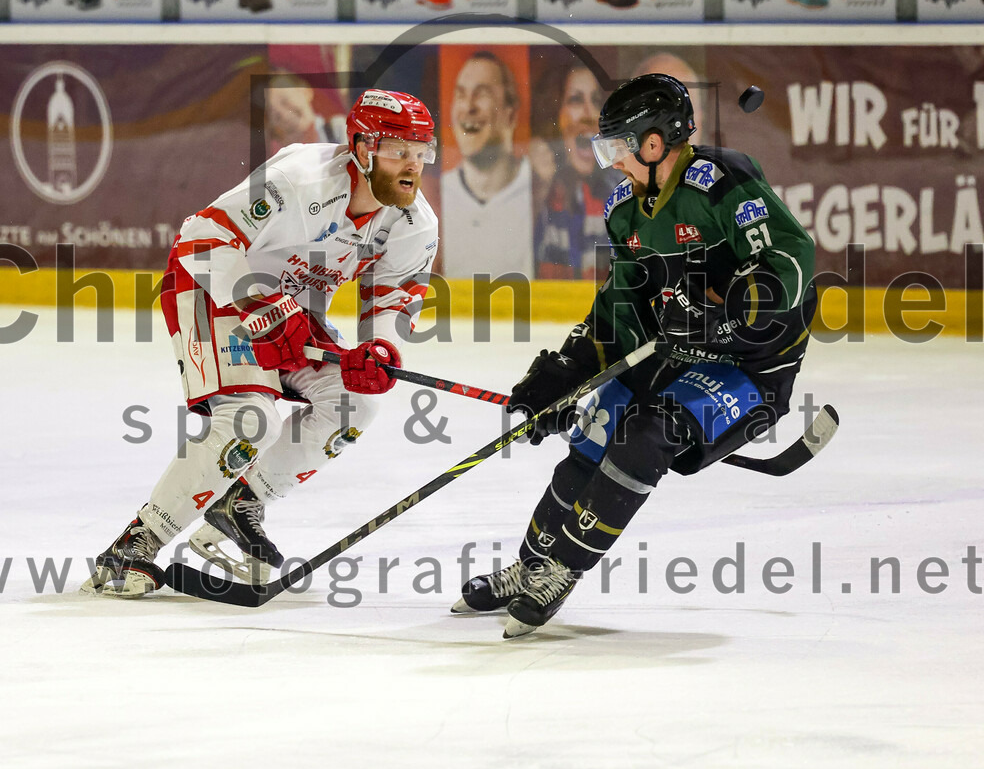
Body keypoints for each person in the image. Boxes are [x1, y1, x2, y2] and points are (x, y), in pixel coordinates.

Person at [451, 74, 818, 637]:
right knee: (597, 424)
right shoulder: (625, 208)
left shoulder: (724, 182)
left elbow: (791, 261)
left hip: (750, 367)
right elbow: (623, 307)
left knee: (648, 432)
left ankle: (564, 569)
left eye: (618, 146)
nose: (611, 161)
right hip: (676, 353)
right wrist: (569, 369)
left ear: (653, 142)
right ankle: (531, 567)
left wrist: (728, 311)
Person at [82, 89, 439, 597]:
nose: (413, 165)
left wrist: (378, 349)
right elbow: (201, 238)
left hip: (292, 308)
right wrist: (258, 304)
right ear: (362, 148)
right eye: (398, 150)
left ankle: (240, 502)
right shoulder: (298, 178)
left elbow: (391, 299)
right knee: (251, 419)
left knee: (357, 401)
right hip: (214, 286)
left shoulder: (414, 223)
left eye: (422, 151)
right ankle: (132, 548)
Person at [441, 51, 533, 279]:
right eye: (461, 95)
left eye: (481, 95)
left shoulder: (539, 188)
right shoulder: (431, 197)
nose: (468, 107)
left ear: (510, 115)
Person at [534, 64, 621, 280]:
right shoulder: (538, 186)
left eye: (596, 101)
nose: (589, 113)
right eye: (575, 100)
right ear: (556, 116)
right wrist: (538, 188)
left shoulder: (623, 188)